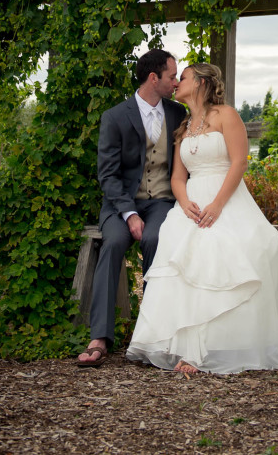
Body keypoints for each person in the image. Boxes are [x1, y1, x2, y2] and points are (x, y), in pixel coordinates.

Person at [126, 63, 278, 374]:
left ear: (203, 82)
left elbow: (239, 162)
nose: (177, 82)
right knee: (180, 248)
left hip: (226, 197)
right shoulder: (184, 127)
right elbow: (178, 177)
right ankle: (184, 346)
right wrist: (185, 203)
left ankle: (223, 343)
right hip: (192, 203)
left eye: (185, 77)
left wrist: (218, 205)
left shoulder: (225, 115)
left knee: (252, 244)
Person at [77, 49, 186, 367]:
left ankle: (153, 334)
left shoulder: (178, 114)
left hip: (162, 202)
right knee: (111, 244)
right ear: (154, 78)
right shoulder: (114, 116)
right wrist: (129, 213)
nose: (176, 82)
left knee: (155, 240)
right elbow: (107, 175)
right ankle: (99, 337)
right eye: (172, 76)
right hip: (120, 204)